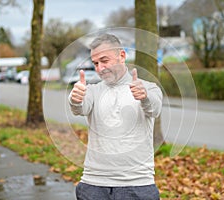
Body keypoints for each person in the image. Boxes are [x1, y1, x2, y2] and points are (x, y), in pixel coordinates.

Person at [69, 33, 163, 200]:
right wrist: (75, 99)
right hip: (93, 184)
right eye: (95, 63)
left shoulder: (149, 88)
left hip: (137, 185)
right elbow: (79, 108)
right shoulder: (92, 91)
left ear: (122, 56)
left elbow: (154, 109)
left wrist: (144, 96)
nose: (100, 68)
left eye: (104, 61)